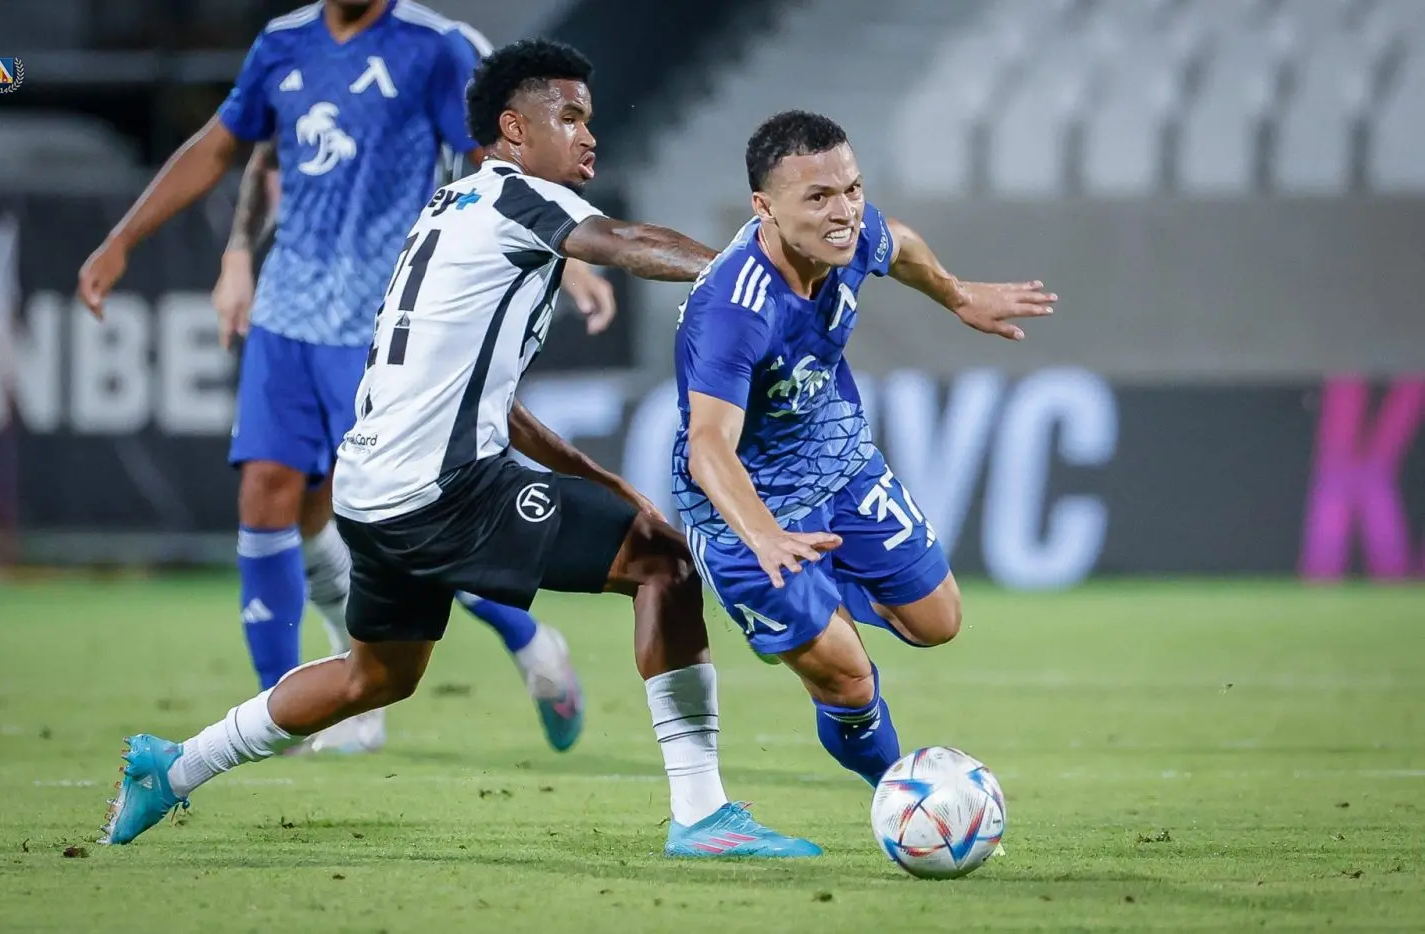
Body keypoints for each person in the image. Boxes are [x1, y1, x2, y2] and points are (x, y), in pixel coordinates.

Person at [98, 38, 820, 860]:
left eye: (589, 119)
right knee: (664, 563)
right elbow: (623, 242)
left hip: (373, 489)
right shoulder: (520, 197)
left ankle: (173, 767)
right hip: (440, 489)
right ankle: (702, 814)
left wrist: (599, 479)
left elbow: (490, 401)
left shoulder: (454, 207)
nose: (589, 136)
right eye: (569, 117)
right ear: (513, 130)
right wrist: (751, 272)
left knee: (376, 677)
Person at [78, 0, 614, 755]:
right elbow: (240, 147)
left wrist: (570, 252)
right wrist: (188, 247)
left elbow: (501, 162)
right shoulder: (283, 43)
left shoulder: (436, 47)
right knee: (271, 495)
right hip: (287, 312)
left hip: (386, 322)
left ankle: (527, 639)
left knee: (403, 517)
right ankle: (285, 713)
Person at [673, 110, 1054, 787]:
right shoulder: (734, 308)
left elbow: (897, 241)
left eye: (851, 189)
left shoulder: (848, 236)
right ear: (764, 207)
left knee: (939, 620)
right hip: (750, 511)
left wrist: (956, 294)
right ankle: (900, 794)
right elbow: (707, 447)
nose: (844, 211)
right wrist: (764, 534)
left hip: (837, 462)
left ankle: (818, 613)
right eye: (818, 197)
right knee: (849, 679)